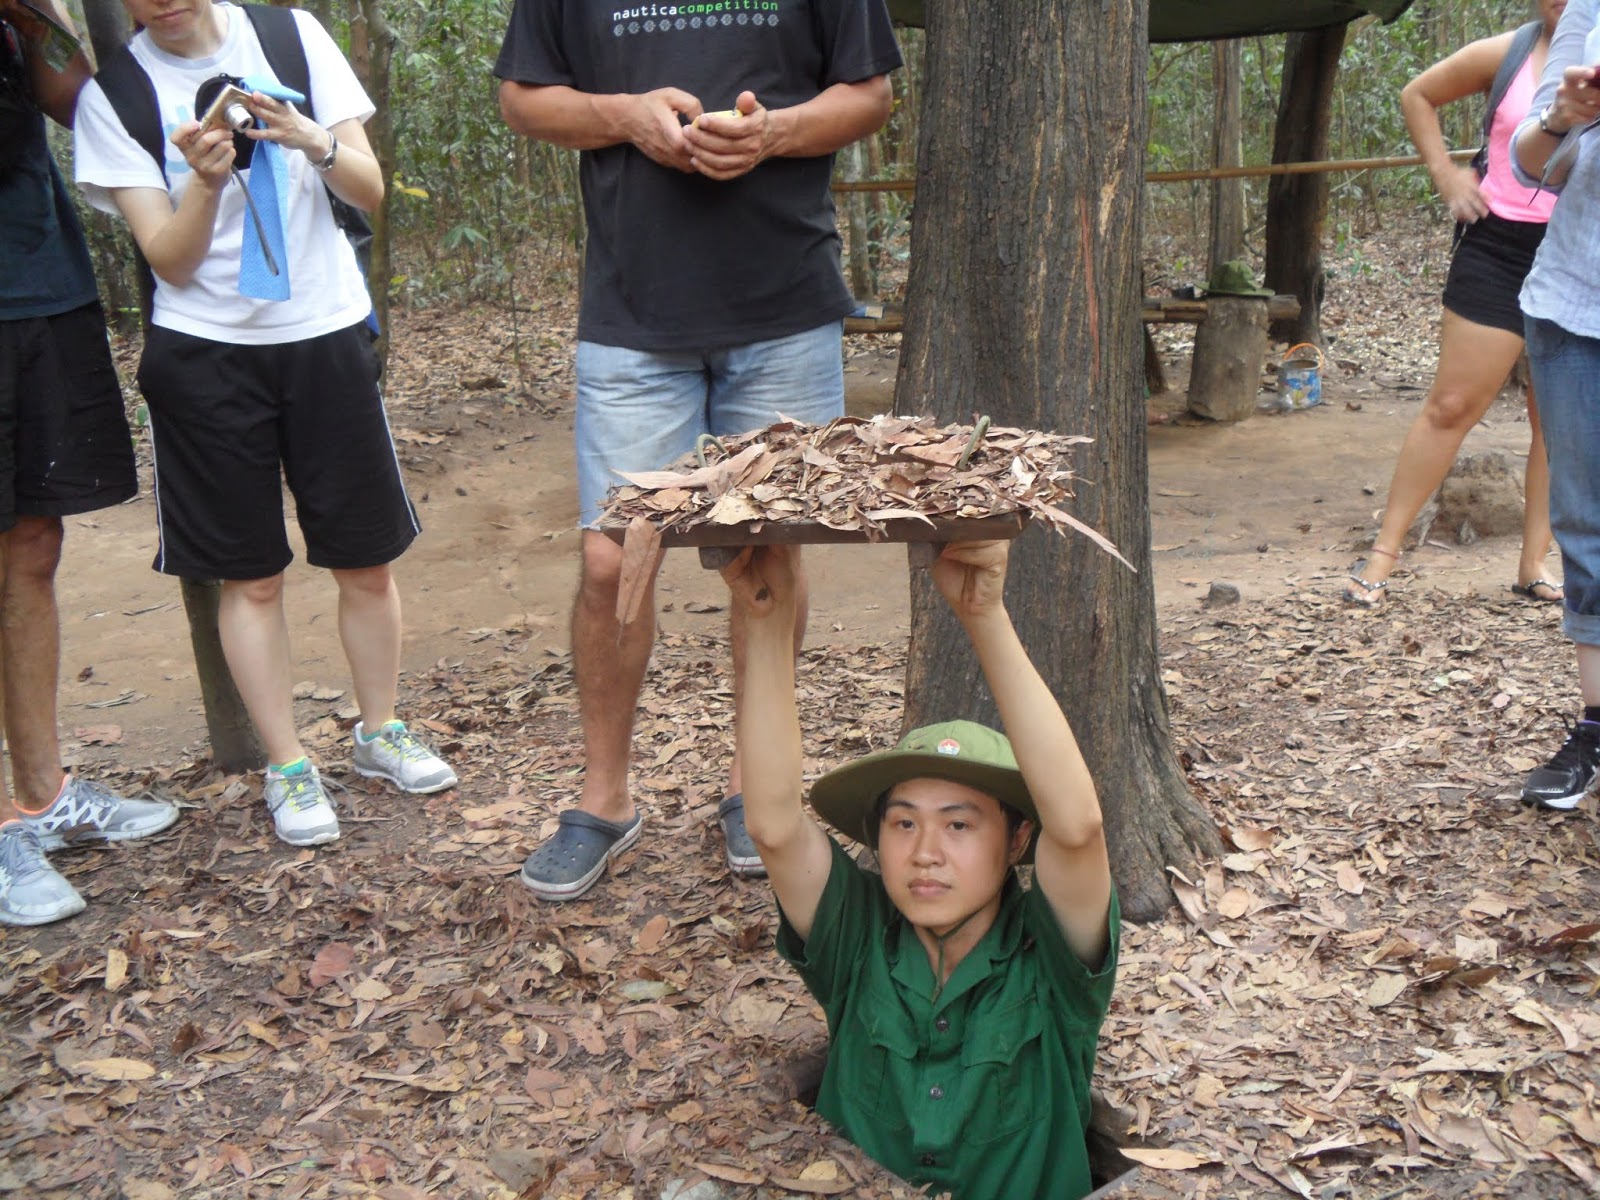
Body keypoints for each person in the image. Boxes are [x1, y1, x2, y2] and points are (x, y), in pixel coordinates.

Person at [494, 1, 902, 899]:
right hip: (632, 313)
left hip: (784, 306)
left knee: (767, 554)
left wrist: (772, 134)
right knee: (612, 560)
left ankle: (755, 783)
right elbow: (523, 99)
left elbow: (869, 94)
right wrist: (623, 116)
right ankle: (605, 800)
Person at [72, 0, 455, 848]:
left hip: (324, 328)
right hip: (207, 352)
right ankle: (288, 764)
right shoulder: (117, 97)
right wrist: (205, 183)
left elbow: (369, 188)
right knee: (250, 578)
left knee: (365, 558)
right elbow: (167, 260)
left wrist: (310, 138)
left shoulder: (290, 35)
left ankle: (380, 730)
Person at [721, 539, 1117, 1200]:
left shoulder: (1048, 963)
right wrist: (767, 618)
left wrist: (985, 616)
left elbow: (1077, 829)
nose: (925, 851)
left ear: (1018, 839)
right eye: (903, 823)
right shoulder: (857, 938)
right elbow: (774, 826)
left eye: (959, 825)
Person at [0, 0, 178, 926]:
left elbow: (84, 103)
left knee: (33, 542)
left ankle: (40, 796)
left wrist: (34, 14)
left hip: (34, 285)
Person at [1345, 0, 1567, 608]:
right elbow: (1418, 93)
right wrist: (1446, 173)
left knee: (1556, 420)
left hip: (1579, 254)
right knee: (1451, 405)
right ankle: (1383, 553)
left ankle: (1534, 563)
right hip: (1498, 248)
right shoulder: (1510, 51)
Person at [1512, 0, 1600, 808]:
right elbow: (1531, 161)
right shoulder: (1588, 14)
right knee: (1585, 526)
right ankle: (1596, 729)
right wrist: (1565, 114)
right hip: (1575, 306)